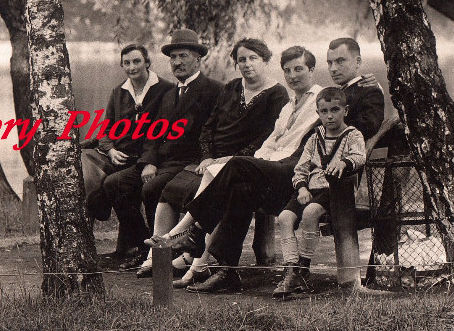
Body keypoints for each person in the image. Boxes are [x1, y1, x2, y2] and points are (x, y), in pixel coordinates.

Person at [152, 37, 385, 293]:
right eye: (330, 62)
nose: (334, 67)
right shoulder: (330, 94)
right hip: (292, 169)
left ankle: (193, 231)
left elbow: (369, 125)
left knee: (237, 165)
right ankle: (227, 271)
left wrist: (342, 112)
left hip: (313, 177)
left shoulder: (366, 91)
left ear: (358, 62)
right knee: (239, 188)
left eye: (340, 61)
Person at [133, 38, 288, 277]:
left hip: (243, 164)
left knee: (214, 191)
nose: (247, 65)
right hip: (210, 162)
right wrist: (207, 157)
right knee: (169, 191)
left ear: (265, 60)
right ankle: (158, 257)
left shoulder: (277, 94)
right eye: (241, 60)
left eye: (253, 58)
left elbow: (267, 138)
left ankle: (193, 260)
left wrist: (227, 159)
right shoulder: (231, 88)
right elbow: (208, 126)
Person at [97, 29, 223, 266]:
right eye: (173, 58)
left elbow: (216, 131)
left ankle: (165, 250)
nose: (177, 62)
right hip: (162, 161)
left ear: (198, 58)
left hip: (189, 162)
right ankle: (147, 243)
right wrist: (149, 162)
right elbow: (153, 135)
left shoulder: (213, 90)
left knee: (151, 189)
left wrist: (207, 158)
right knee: (114, 183)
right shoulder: (169, 93)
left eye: (183, 56)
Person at [273, 87, 367, 298]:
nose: (330, 116)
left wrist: (344, 162)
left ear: (346, 110)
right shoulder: (314, 139)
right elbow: (300, 170)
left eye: (335, 110)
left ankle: (303, 269)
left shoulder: (352, 135)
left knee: (310, 212)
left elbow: (360, 156)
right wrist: (302, 188)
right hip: (311, 189)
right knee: (285, 217)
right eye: (324, 111)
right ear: (318, 113)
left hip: (334, 191)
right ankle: (291, 269)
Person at [81, 44, 173, 259]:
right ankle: (136, 243)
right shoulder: (119, 91)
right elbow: (106, 129)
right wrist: (110, 149)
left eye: (136, 61)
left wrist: (150, 160)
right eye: (127, 63)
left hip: (146, 159)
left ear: (147, 63)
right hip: (119, 155)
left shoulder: (165, 90)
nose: (132, 67)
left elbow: (165, 132)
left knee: (115, 186)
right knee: (88, 163)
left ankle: (141, 244)